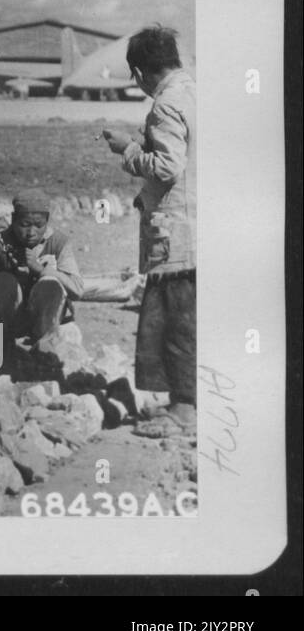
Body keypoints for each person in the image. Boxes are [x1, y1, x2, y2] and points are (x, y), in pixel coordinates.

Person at [102, 25, 196, 439]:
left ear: (139, 72)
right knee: (188, 316)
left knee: (175, 319)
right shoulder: (197, 92)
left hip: (178, 233)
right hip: (204, 225)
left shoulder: (164, 105)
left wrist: (128, 150)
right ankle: (188, 399)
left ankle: (184, 409)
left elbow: (168, 167)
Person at [0, 189, 84, 353]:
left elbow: (78, 290)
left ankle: (44, 346)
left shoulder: (59, 243)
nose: (31, 232)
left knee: (50, 284)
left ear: (47, 221)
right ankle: (7, 343)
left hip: (50, 321)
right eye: (24, 225)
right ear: (13, 220)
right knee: (2, 281)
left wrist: (41, 270)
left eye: (39, 225)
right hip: (11, 321)